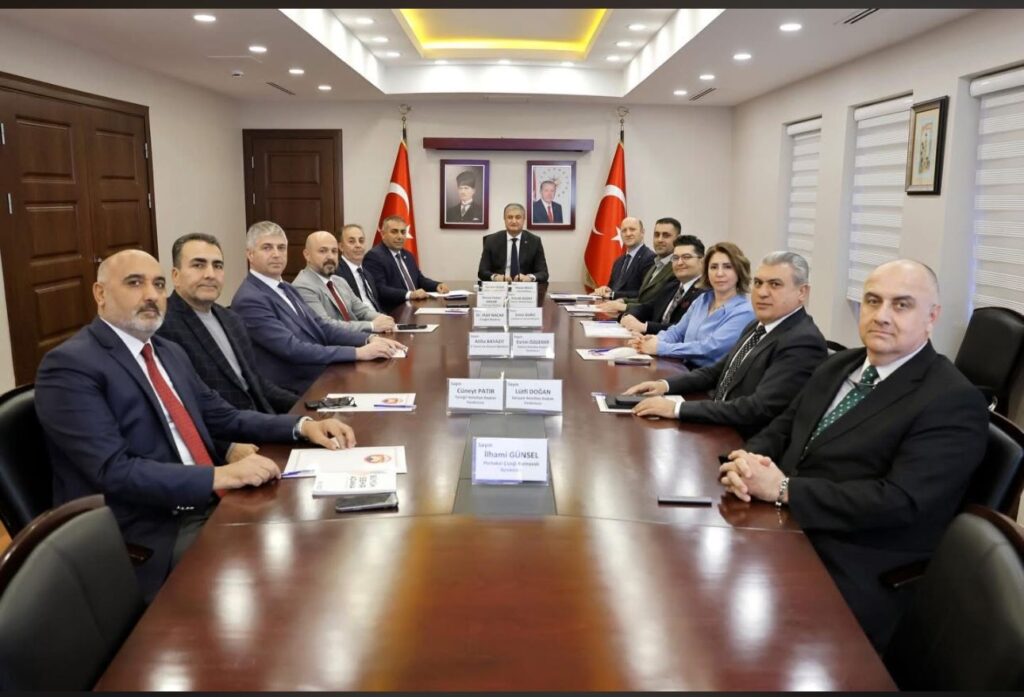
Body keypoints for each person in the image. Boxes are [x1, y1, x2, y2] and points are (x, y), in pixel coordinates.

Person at [35, 249, 359, 601]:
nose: (151, 295)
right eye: (134, 283)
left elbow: (225, 416)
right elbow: (113, 471)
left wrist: (302, 426)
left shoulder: (167, 352)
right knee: (284, 579)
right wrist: (218, 476)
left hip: (207, 503)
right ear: (100, 294)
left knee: (319, 535)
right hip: (150, 529)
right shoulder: (70, 366)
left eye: (158, 285)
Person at [718, 259, 988, 652]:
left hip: (853, 561)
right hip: (779, 527)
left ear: (932, 318)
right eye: (873, 301)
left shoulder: (952, 400)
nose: (882, 315)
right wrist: (746, 462)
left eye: (901, 305)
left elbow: (899, 502)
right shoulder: (838, 364)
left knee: (731, 633)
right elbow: (784, 427)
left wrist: (785, 488)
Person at [626, 251, 828, 438]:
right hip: (719, 421)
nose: (762, 292)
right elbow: (716, 372)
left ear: (802, 292)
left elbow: (758, 408)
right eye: (758, 283)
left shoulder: (802, 341)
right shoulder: (757, 326)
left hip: (744, 441)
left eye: (775, 284)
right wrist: (664, 385)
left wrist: (676, 409)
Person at [157, 233, 299, 460]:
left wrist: (306, 407)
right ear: (176, 275)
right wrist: (226, 448)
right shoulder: (162, 326)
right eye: (198, 265)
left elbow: (255, 383)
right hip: (226, 447)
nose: (210, 274)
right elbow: (174, 408)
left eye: (217, 266)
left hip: (263, 427)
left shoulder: (231, 318)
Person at [231, 221, 405, 393]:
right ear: (250, 254)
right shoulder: (250, 299)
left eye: (281, 248)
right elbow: (292, 348)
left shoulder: (287, 288)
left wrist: (368, 339)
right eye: (267, 248)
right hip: (297, 389)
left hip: (321, 373)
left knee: (392, 382)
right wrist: (358, 353)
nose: (276, 254)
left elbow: (322, 326)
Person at [629, 241, 755, 368]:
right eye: (713, 267)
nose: (719, 273)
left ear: (739, 271)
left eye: (727, 267)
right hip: (681, 367)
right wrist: (654, 340)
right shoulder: (702, 300)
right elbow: (677, 332)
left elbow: (710, 348)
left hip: (707, 377)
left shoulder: (745, 311)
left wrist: (660, 347)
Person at [293, 230, 396, 334]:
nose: (330, 256)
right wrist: (372, 326)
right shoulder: (303, 286)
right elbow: (325, 326)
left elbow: (362, 311)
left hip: (358, 337)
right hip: (335, 343)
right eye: (323, 251)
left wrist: (384, 319)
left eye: (334, 251)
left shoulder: (339, 281)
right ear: (307, 255)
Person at [619, 235, 706, 336]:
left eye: (686, 257)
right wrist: (629, 316)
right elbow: (649, 307)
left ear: (702, 261)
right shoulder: (672, 285)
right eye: (675, 258)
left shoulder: (705, 292)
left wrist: (645, 327)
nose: (679, 263)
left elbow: (683, 329)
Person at [594, 217, 681, 311]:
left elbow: (656, 303)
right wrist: (617, 297)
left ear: (642, 232)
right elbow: (643, 298)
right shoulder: (656, 264)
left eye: (666, 235)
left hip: (639, 317)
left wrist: (622, 304)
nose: (660, 240)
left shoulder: (676, 268)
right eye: (656, 235)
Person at [363, 215, 450, 310]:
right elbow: (379, 289)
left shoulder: (407, 255)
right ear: (383, 234)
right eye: (394, 232)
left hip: (414, 307)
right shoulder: (374, 256)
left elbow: (419, 279)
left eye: (403, 232)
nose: (400, 236)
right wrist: (410, 294)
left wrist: (437, 285)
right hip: (394, 311)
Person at [477, 203, 550, 282]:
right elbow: (482, 272)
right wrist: (495, 277)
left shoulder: (535, 241)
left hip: (524, 286)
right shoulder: (491, 240)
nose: (514, 221)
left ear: (524, 219)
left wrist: (529, 277)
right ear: (504, 219)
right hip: (499, 286)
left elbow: (543, 273)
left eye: (518, 217)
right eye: (510, 217)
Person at [592, 217, 656, 300]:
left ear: (642, 232)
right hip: (611, 306)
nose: (628, 234)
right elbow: (613, 288)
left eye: (632, 229)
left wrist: (613, 294)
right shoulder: (619, 261)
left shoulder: (650, 258)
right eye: (624, 230)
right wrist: (605, 289)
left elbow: (644, 293)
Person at [334, 223, 384, 311]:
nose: (358, 245)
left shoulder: (367, 273)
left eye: (361, 241)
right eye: (351, 241)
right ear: (341, 247)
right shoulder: (336, 273)